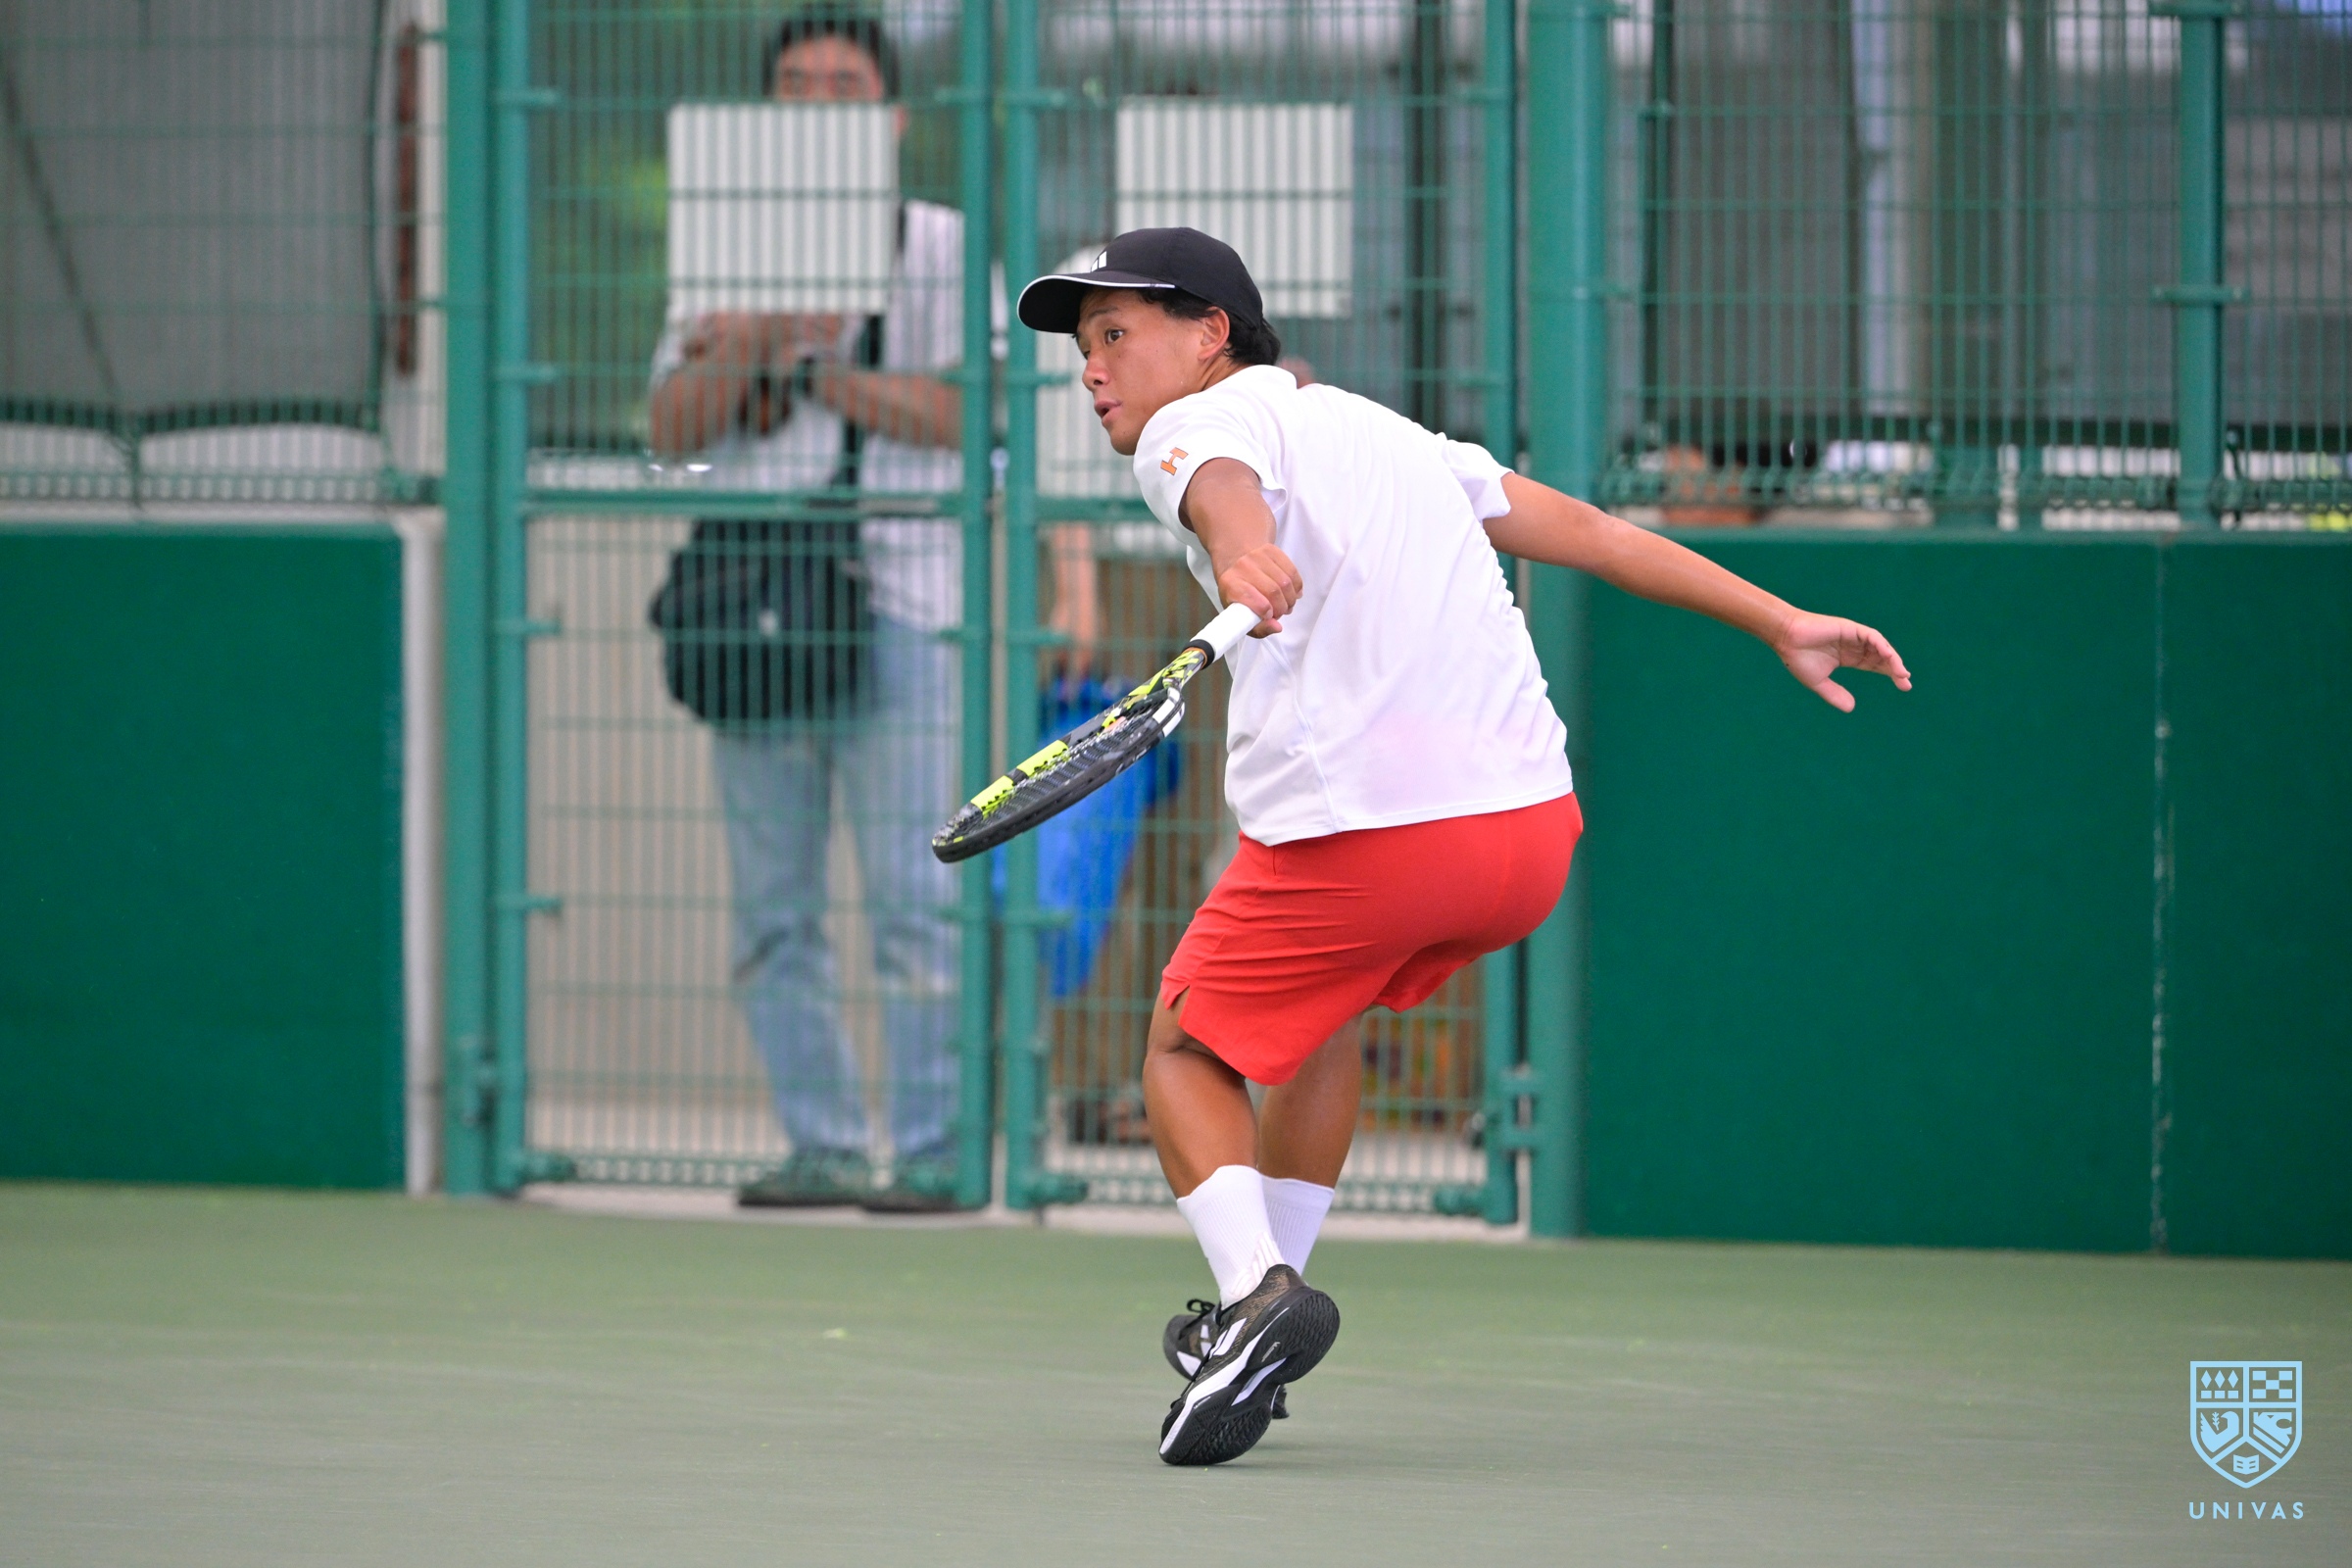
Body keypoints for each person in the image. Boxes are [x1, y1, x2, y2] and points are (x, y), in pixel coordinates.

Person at [1014, 227, 1911, 1463]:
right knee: (1317, 1021)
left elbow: (1218, 481)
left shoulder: (1194, 424)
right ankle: (1260, 1331)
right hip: (1528, 837)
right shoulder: (1396, 437)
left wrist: (1238, 547)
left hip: (1368, 837)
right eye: (1084, 346)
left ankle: (1254, 1298)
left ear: (1211, 334)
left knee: (1181, 1047)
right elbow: (1594, 533)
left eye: (1115, 334)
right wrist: (1779, 618)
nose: (1093, 367)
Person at [648, 7, 1098, 1212]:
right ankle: (823, 1141)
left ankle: (939, 1146)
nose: (816, 104)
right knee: (771, 907)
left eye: (843, 84)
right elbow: (672, 433)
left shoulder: (940, 246)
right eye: (794, 84)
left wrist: (811, 368)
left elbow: (981, 418)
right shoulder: (722, 241)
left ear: (894, 118)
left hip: (902, 603)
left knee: (917, 893)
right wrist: (746, 339)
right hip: (751, 604)